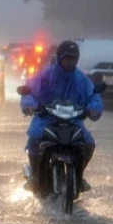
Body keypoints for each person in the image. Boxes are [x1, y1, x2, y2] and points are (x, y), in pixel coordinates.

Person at [21, 40, 103, 192]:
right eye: (67, 58)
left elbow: (93, 95)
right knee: (34, 139)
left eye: (74, 59)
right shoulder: (45, 75)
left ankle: (78, 176)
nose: (70, 62)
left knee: (89, 143)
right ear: (59, 57)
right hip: (46, 119)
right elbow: (30, 90)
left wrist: (93, 109)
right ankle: (36, 176)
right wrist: (29, 105)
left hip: (73, 120)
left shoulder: (81, 79)